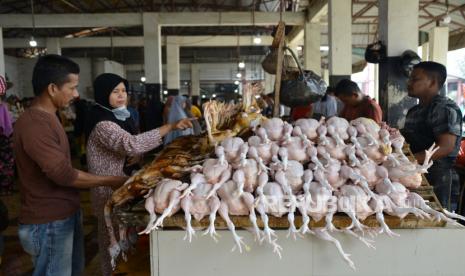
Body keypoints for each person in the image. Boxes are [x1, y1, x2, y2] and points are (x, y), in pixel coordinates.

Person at [13, 55, 128, 276]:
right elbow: (63, 175)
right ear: (53, 88)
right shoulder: (35, 124)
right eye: (72, 87)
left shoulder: (50, 117)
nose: (76, 94)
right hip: (48, 222)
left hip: (63, 214)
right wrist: (113, 180)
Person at [85, 73, 193, 276]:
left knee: (125, 238)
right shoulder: (103, 123)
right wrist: (169, 127)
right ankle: (112, 272)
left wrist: (137, 156)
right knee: (112, 240)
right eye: (115, 92)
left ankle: (125, 269)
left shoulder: (120, 116)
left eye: (124, 91)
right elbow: (131, 143)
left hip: (123, 184)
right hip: (109, 189)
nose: (121, 96)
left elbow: (132, 145)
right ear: (103, 94)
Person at [402, 61, 462, 211]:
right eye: (410, 79)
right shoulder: (414, 111)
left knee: (437, 221)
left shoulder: (444, 109)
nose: (409, 83)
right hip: (416, 174)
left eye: (415, 79)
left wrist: (407, 162)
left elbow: (445, 147)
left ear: (433, 82)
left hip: (437, 176)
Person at [0, 76, 15, 195]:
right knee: (6, 164)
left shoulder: (4, 107)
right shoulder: (3, 107)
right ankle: (6, 188)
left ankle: (5, 187)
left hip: (4, 139)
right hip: (4, 140)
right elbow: (7, 127)